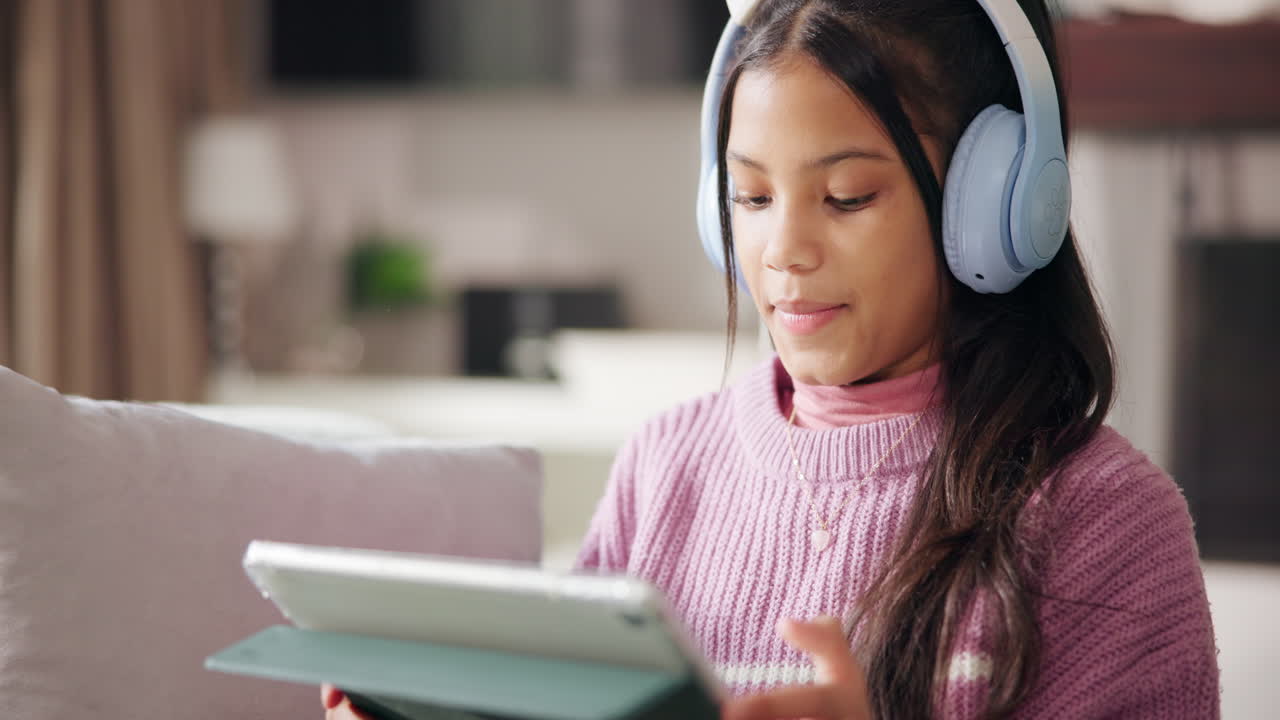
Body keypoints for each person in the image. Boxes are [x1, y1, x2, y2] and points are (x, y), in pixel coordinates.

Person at [324, 1, 1220, 718]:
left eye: (845, 196)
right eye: (750, 195)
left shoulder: (1107, 524)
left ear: (994, 203)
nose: (783, 249)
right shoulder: (662, 468)